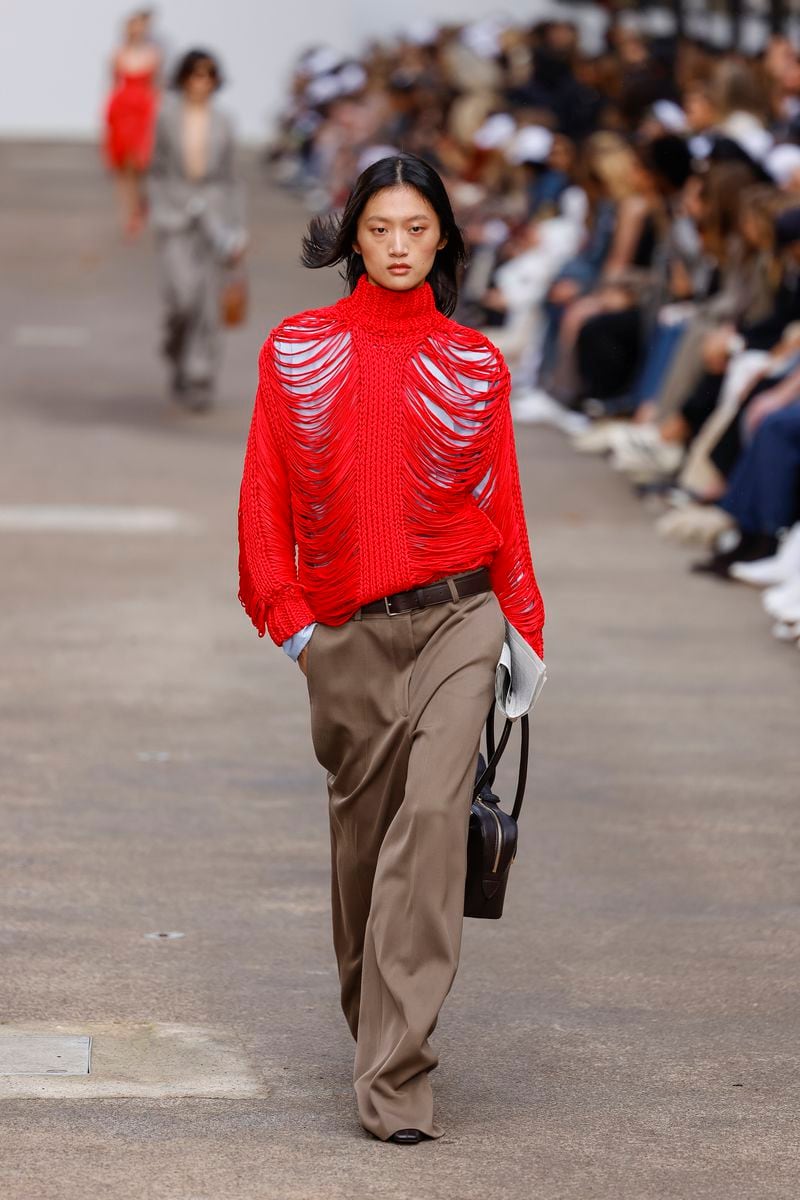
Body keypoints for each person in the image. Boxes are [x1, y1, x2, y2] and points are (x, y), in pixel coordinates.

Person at [237, 154, 544, 1143]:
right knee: (362, 857)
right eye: (381, 229)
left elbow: (501, 501)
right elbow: (264, 497)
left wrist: (522, 628)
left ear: (444, 237)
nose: (400, 246)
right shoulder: (295, 350)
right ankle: (372, 1025)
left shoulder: (473, 362)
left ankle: (397, 1075)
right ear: (353, 240)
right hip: (343, 635)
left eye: (418, 228)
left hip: (460, 617)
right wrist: (291, 627)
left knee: (429, 829)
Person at [148, 49, 246, 411]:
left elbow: (233, 178)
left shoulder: (224, 120)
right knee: (182, 297)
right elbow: (155, 168)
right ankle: (175, 351)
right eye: (194, 75)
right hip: (174, 215)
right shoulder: (166, 117)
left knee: (208, 301)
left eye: (207, 76)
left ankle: (200, 373)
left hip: (215, 216)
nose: (200, 83)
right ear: (183, 78)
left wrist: (237, 229)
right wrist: (159, 206)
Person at [104, 9, 161, 237]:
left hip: (144, 111)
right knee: (123, 165)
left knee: (141, 163)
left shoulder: (154, 54)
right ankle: (129, 213)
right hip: (123, 110)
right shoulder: (117, 54)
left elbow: (157, 85)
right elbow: (112, 84)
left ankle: (141, 200)